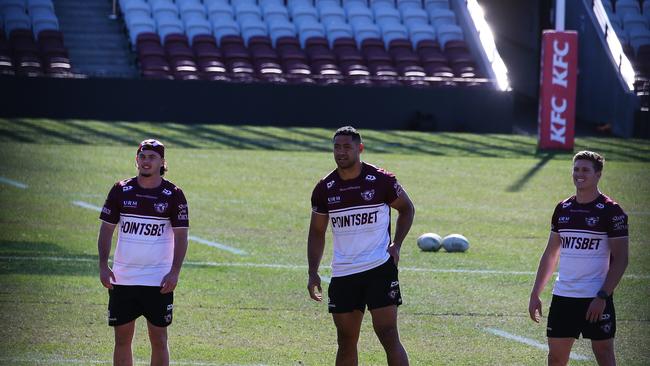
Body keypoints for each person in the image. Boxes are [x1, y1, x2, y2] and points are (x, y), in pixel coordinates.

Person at [307, 126, 415, 366]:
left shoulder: (381, 181)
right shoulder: (325, 188)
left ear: (360, 148)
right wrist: (313, 271)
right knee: (346, 340)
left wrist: (396, 244)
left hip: (379, 268)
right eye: (337, 147)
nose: (341, 152)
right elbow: (316, 232)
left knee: (388, 335)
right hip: (344, 273)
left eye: (347, 147)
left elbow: (407, 208)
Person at [528, 151, 629, 366]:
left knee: (604, 354)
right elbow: (550, 254)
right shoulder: (563, 208)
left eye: (585, 170)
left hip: (596, 297)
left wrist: (602, 296)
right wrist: (535, 292)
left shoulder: (611, 211)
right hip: (564, 296)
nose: (579, 174)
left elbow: (621, 259)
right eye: (576, 169)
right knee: (555, 358)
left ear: (598, 174)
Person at [98, 139, 190, 366]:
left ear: (162, 162)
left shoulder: (173, 194)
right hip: (123, 278)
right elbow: (106, 230)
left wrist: (174, 272)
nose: (146, 161)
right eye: (142, 156)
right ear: (136, 160)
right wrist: (103, 266)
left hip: (158, 279)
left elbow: (181, 236)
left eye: (152, 157)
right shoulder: (120, 190)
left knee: (158, 339)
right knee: (121, 339)